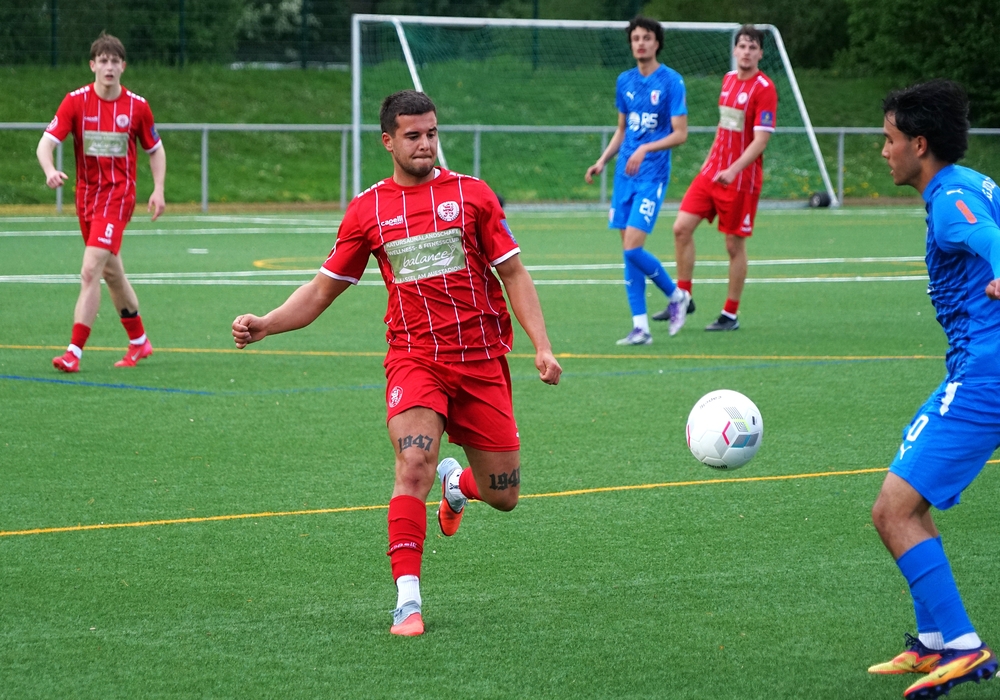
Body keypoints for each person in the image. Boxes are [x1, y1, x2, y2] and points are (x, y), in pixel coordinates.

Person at [231, 90, 562, 637]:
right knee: (414, 465)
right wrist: (267, 322)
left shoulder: (473, 197)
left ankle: (458, 489)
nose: (426, 144)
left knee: (504, 494)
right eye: (413, 135)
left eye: (432, 133)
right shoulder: (368, 210)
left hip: (480, 359)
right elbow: (322, 290)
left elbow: (515, 274)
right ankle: (407, 602)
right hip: (414, 358)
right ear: (388, 141)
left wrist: (541, 346)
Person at [867, 79, 997, 699]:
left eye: (890, 139)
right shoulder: (974, 183)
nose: (883, 150)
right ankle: (934, 643)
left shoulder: (950, 200)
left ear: (920, 144)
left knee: (891, 510)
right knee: (908, 494)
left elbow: (989, 240)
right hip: (971, 370)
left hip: (985, 376)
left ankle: (966, 648)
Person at [38, 33, 166, 373]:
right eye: (103, 61)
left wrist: (159, 189)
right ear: (92, 65)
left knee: (90, 268)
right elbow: (45, 143)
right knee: (111, 271)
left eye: (115, 61)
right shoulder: (75, 102)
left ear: (123, 67)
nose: (109, 67)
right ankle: (139, 341)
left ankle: (73, 352)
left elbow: (155, 150)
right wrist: (50, 170)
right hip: (87, 199)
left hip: (118, 197)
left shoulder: (137, 106)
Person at [654, 24, 776, 332]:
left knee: (734, 245)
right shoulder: (728, 80)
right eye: (742, 46)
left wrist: (734, 168)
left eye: (752, 47)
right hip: (712, 174)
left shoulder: (764, 88)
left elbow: (760, 140)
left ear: (760, 53)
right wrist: (711, 162)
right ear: (734, 50)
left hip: (740, 179)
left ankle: (730, 314)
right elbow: (725, 128)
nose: (746, 52)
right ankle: (684, 296)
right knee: (681, 228)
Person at [585, 16, 690, 345]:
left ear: (657, 43)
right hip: (625, 176)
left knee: (633, 248)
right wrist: (603, 160)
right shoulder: (625, 81)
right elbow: (621, 129)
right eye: (635, 38)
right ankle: (641, 326)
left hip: (653, 175)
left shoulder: (671, 81)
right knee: (628, 251)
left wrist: (645, 147)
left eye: (646, 37)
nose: (640, 43)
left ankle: (677, 296)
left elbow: (680, 134)